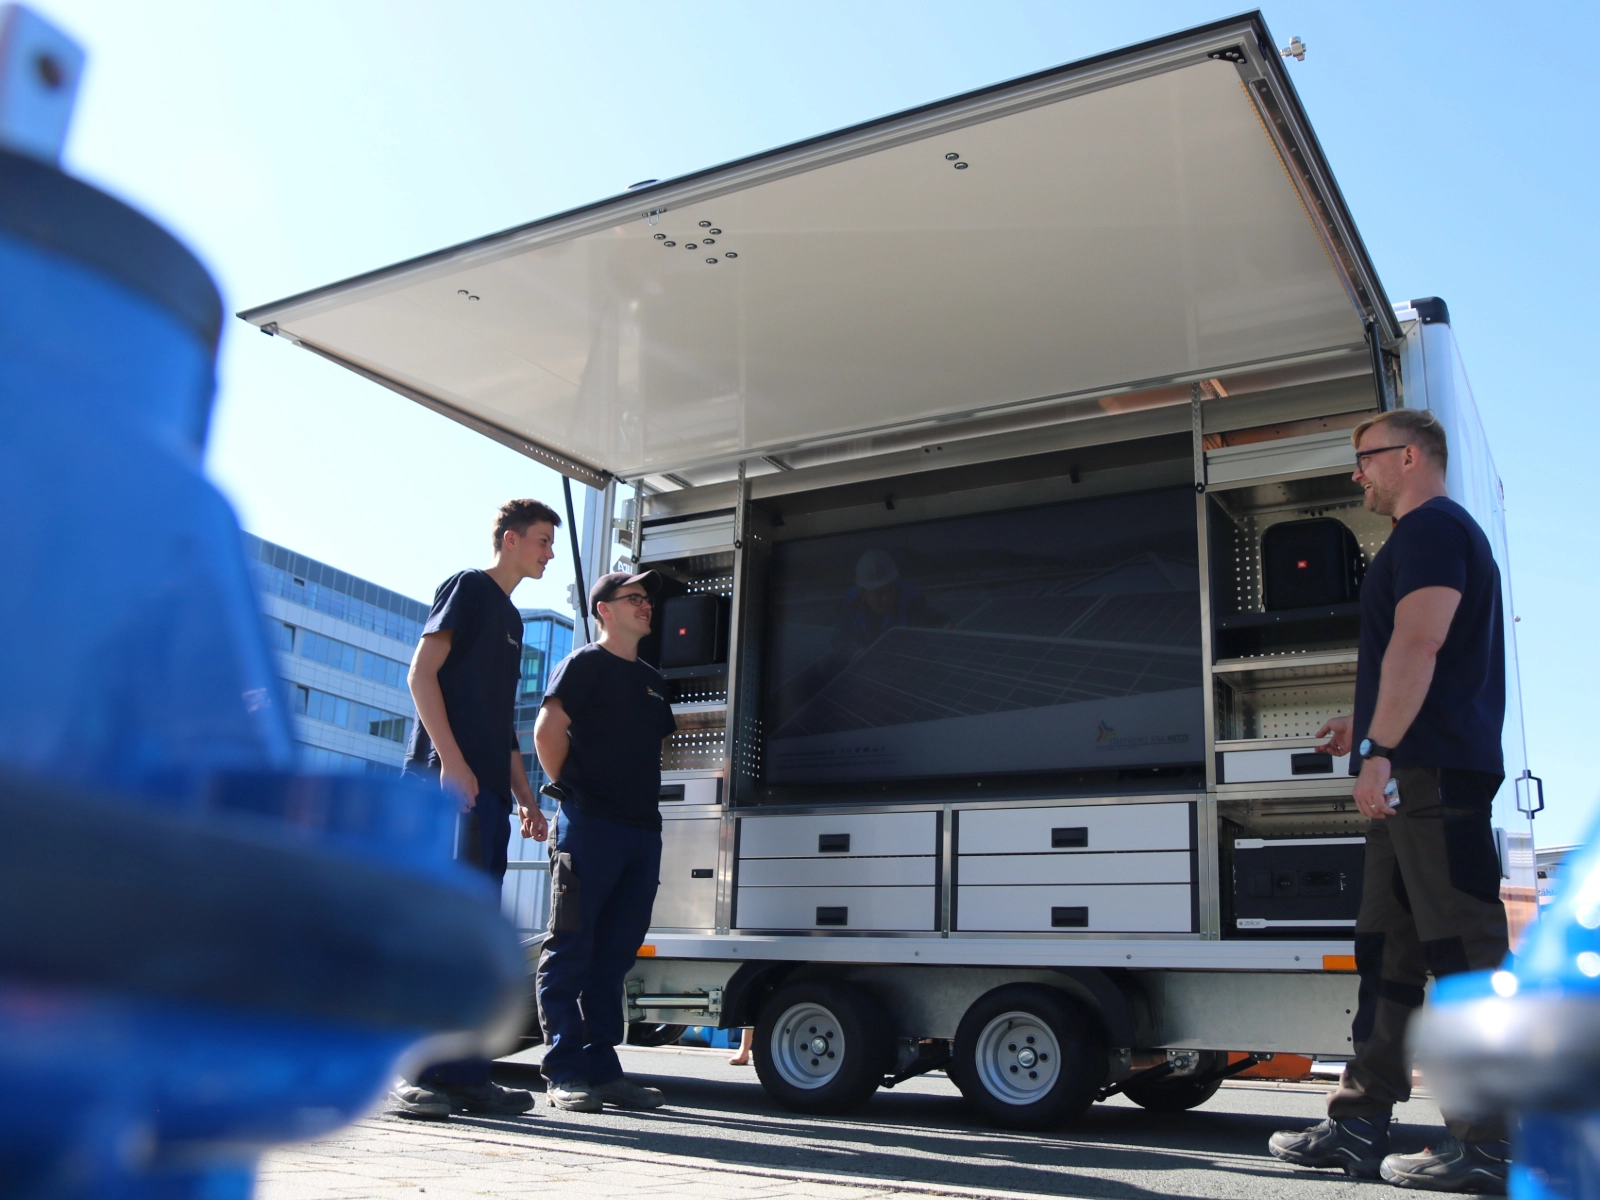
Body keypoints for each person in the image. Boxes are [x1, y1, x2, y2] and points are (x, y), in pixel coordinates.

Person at [1268, 409, 1511, 1193]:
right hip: (1414, 776)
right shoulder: (1421, 537)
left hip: (1432, 777)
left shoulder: (1434, 530)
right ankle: (1357, 1125)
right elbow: (1409, 659)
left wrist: (1381, 750)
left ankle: (1493, 1142)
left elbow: (1421, 642)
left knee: (1466, 958)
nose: (1356, 475)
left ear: (1408, 457)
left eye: (1364, 459)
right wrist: (1364, 724)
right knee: (1389, 958)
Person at [388, 499, 557, 1120]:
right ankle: (413, 1072)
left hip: (486, 794)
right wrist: (450, 762)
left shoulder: (511, 618)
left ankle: (463, 1075)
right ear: (509, 540)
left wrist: (526, 797)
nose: (548, 552)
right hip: (445, 784)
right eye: (541, 540)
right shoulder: (468, 588)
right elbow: (420, 674)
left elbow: (501, 725)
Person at [533, 570, 679, 1112]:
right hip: (589, 827)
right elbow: (547, 731)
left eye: (647, 599)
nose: (646, 606)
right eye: (634, 598)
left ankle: (602, 1068)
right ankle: (564, 1072)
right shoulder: (582, 664)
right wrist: (569, 792)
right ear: (604, 610)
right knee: (570, 948)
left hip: (641, 833)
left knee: (614, 955)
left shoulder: (651, 679)